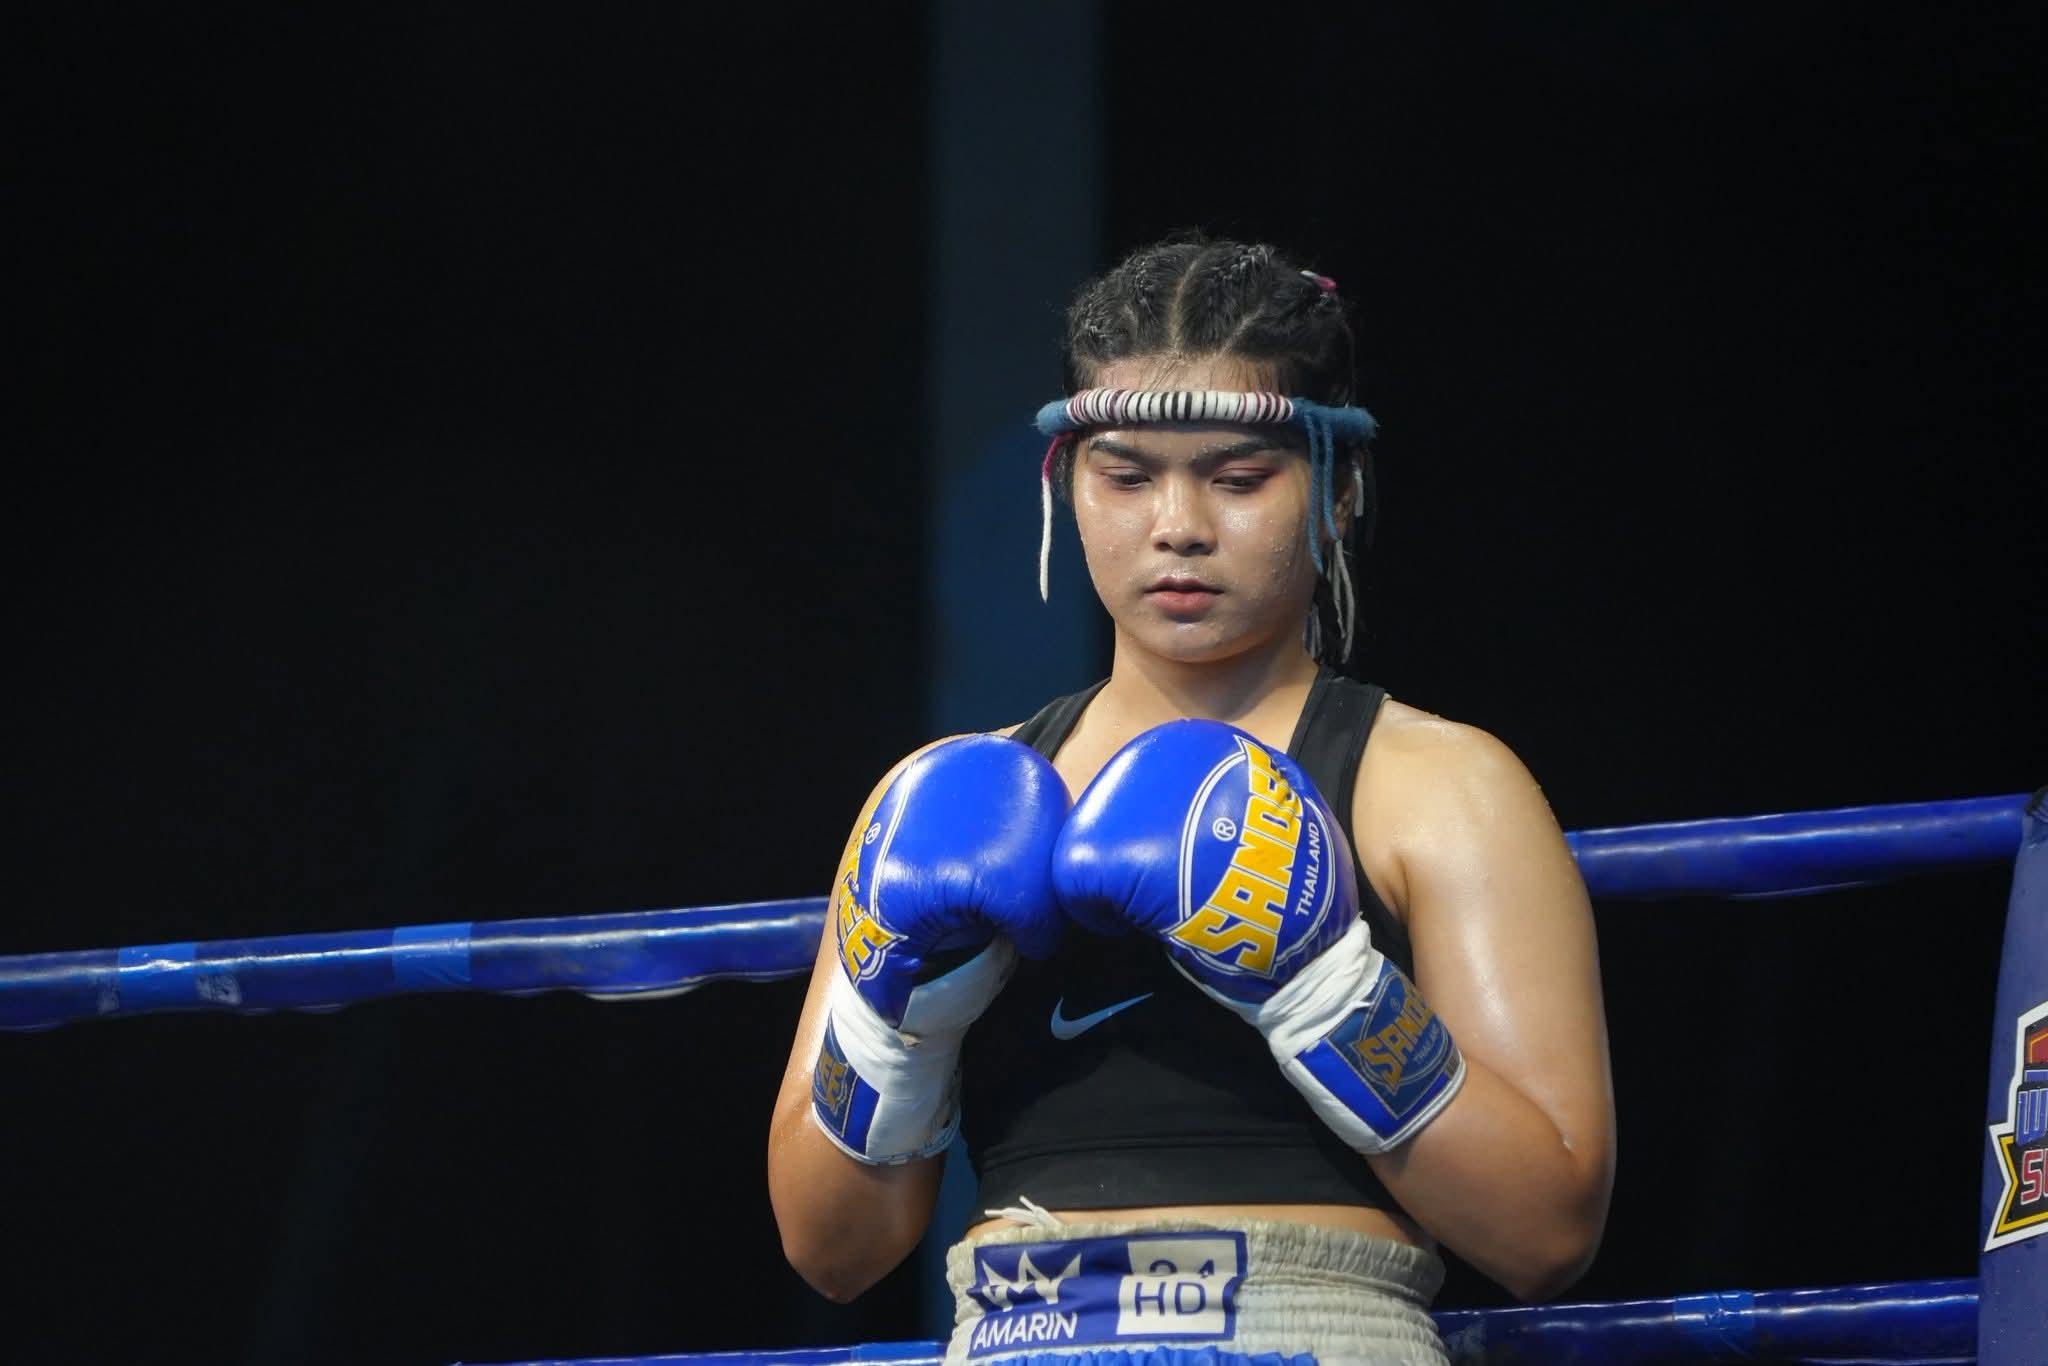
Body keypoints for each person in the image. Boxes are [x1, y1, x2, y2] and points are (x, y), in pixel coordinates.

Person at [769, 236, 1614, 1366]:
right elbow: (831, 1252)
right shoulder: (942, 799)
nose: (1178, 525)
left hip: (1314, 1330)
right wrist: (893, 1028)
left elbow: (1546, 1232)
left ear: (1339, 488)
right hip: (1014, 1335)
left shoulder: (1436, 784)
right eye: (1126, 477)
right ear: (1066, 485)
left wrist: (1322, 987)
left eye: (1237, 478)